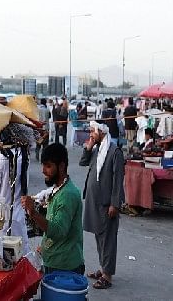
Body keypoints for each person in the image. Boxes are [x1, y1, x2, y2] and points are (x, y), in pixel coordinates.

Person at [21, 143, 84, 276]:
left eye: (48, 166)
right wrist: (44, 246)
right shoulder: (58, 188)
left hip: (64, 267)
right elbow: (53, 221)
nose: (43, 170)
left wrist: (33, 212)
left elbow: (57, 231)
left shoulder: (67, 194)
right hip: (54, 260)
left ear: (61, 166)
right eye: (43, 165)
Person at [80, 121, 124, 290]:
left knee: (108, 240)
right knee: (100, 237)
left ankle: (107, 276)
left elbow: (118, 180)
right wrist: (89, 146)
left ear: (101, 132)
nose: (90, 134)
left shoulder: (115, 152)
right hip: (95, 202)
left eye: (92, 132)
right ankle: (103, 268)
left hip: (107, 204)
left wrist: (115, 204)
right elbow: (83, 162)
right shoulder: (98, 149)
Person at [0, 124, 33, 255]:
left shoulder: (1, 159)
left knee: (3, 256)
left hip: (3, 218)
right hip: (19, 215)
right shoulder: (23, 155)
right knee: (21, 254)